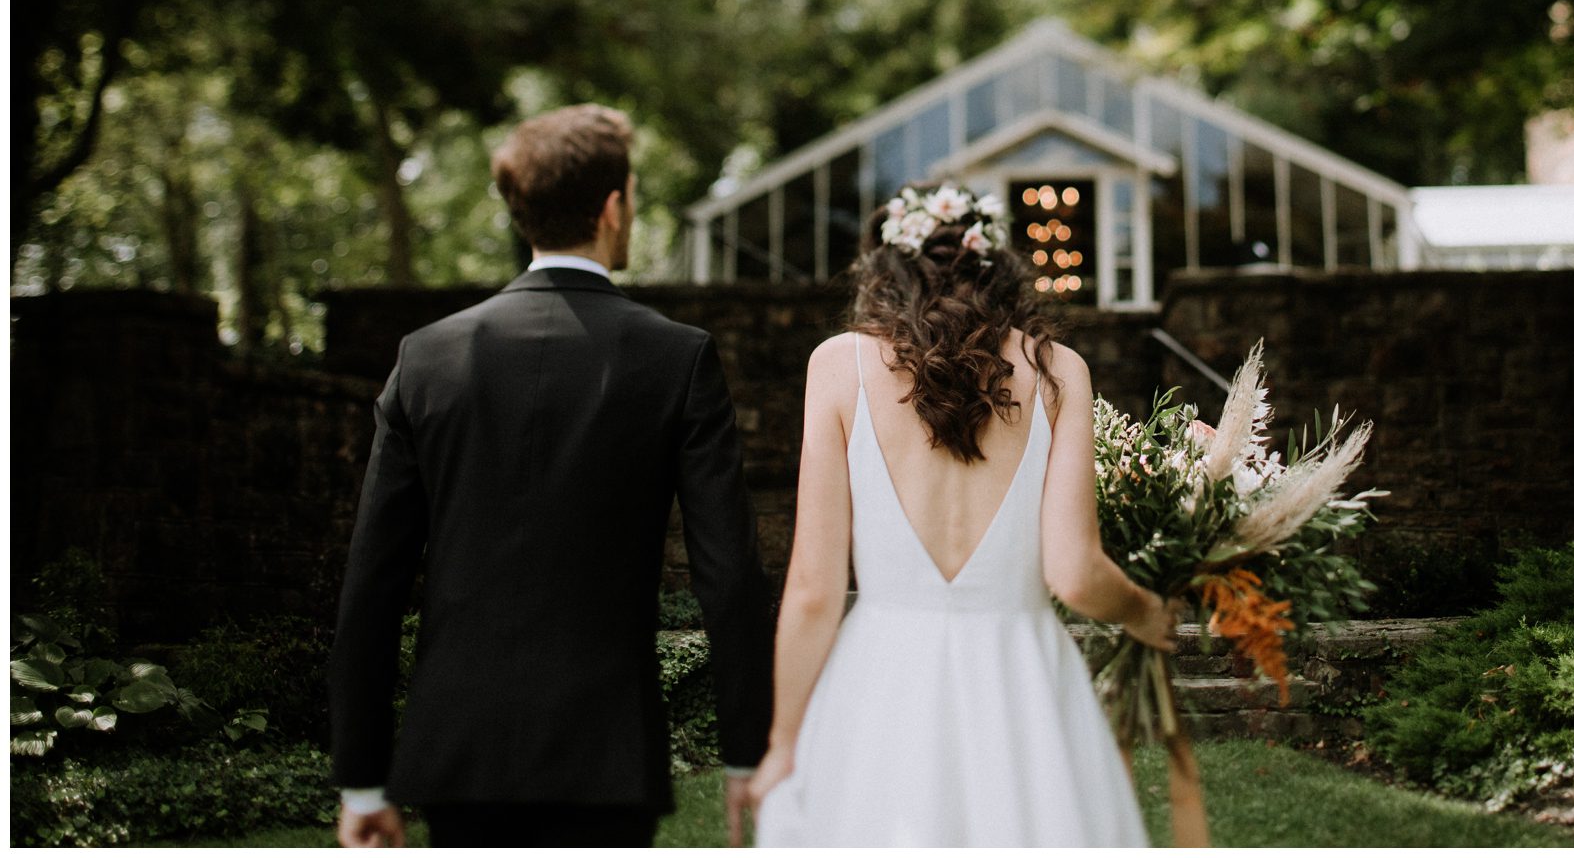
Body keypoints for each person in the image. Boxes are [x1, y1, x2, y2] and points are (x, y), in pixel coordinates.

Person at [328, 104, 774, 848]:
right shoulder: (677, 358)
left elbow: (371, 582)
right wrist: (744, 753)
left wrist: (363, 777)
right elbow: (728, 576)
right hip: (606, 755)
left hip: (458, 753)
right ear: (611, 207)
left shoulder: (428, 357)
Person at [748, 181, 1173, 846]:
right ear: (996, 263)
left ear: (886, 267)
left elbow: (810, 593)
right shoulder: (1060, 372)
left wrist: (781, 742)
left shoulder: (836, 366)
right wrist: (1147, 611)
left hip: (882, 681)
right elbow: (1075, 574)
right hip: (1022, 684)